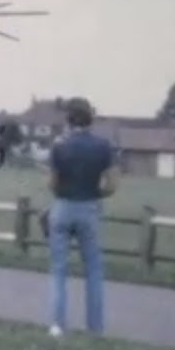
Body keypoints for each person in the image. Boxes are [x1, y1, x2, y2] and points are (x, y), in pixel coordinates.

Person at [46, 97, 118, 337]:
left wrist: (63, 191)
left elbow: (52, 183)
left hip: (63, 206)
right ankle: (95, 328)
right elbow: (112, 185)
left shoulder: (59, 145)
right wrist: (95, 192)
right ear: (91, 119)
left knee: (59, 269)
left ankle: (57, 325)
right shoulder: (103, 146)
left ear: (68, 120)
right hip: (89, 207)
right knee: (94, 270)